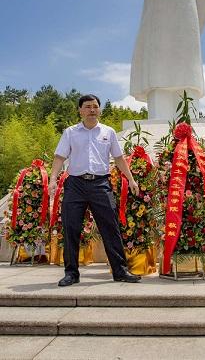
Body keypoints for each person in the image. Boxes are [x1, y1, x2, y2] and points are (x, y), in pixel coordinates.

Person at [49, 94, 141, 286]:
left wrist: (131, 179)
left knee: (111, 227)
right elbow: (59, 157)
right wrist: (52, 180)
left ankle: (120, 271)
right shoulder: (70, 132)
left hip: (101, 184)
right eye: (88, 106)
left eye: (95, 106)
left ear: (99, 109)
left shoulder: (108, 132)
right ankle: (71, 273)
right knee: (71, 228)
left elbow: (119, 158)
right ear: (80, 110)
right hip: (75, 184)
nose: (92, 109)